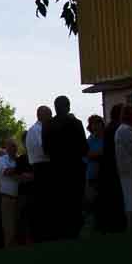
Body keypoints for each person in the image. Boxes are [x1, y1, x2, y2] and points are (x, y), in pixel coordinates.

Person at [44, 97, 86, 239]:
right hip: (74, 170)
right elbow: (84, 148)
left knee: (59, 204)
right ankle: (74, 232)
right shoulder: (76, 123)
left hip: (56, 170)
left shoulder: (48, 125)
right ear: (68, 106)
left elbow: (46, 150)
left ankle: (60, 232)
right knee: (75, 204)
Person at [25, 105, 54, 240]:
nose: (51, 118)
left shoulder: (38, 129)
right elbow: (43, 149)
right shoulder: (36, 130)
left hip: (41, 167)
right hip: (41, 167)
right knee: (42, 203)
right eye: (49, 115)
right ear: (42, 115)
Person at [0, 139, 25, 248]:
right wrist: (20, 170)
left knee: (20, 228)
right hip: (7, 198)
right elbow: (6, 172)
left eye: (15, 146)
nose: (14, 148)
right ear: (6, 147)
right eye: (12, 146)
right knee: (9, 230)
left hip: (20, 198)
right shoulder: (1, 160)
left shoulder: (18, 160)